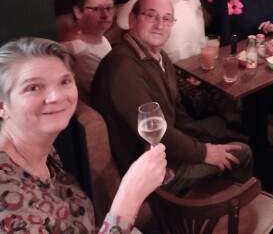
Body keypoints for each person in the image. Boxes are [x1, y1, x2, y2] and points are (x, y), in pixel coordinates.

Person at [0, 37, 166, 233]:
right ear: (2, 106)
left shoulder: (44, 147)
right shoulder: (6, 200)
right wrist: (129, 199)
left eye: (64, 81)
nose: (57, 97)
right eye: (33, 87)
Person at [92, 0, 253, 195]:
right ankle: (231, 204)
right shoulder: (122, 67)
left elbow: (176, 111)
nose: (160, 25)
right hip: (151, 168)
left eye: (167, 18)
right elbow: (156, 134)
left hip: (168, 144)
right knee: (243, 152)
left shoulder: (160, 56)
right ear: (133, 20)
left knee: (219, 126)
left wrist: (203, 142)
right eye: (151, 16)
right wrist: (204, 152)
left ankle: (213, 185)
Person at [60, 0, 115, 103]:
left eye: (109, 8)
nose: (105, 15)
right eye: (97, 9)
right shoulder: (78, 50)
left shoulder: (97, 35)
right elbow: (105, 95)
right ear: (78, 12)